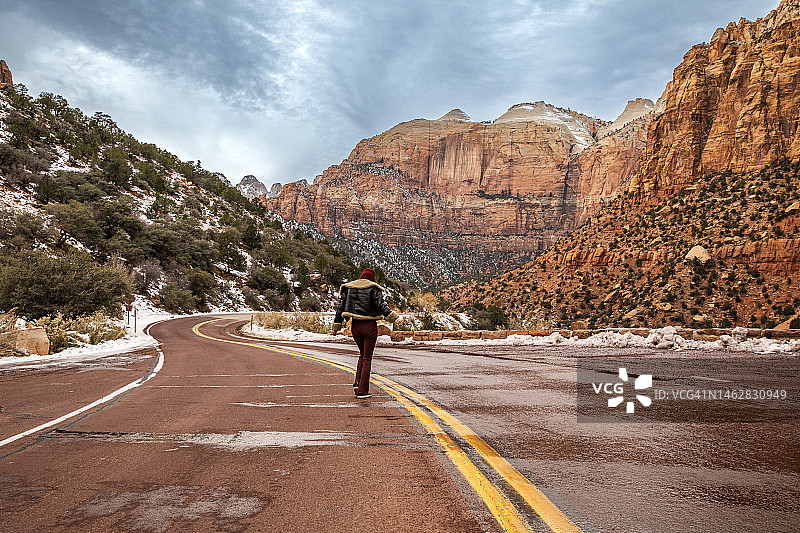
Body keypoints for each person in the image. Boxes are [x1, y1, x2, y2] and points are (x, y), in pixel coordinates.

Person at [332, 268, 399, 398]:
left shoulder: (348, 288)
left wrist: (336, 326)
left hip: (355, 327)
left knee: (362, 355)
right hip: (369, 326)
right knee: (367, 358)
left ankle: (357, 383)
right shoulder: (373, 288)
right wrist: (394, 317)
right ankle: (363, 391)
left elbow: (340, 308)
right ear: (371, 279)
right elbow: (382, 305)